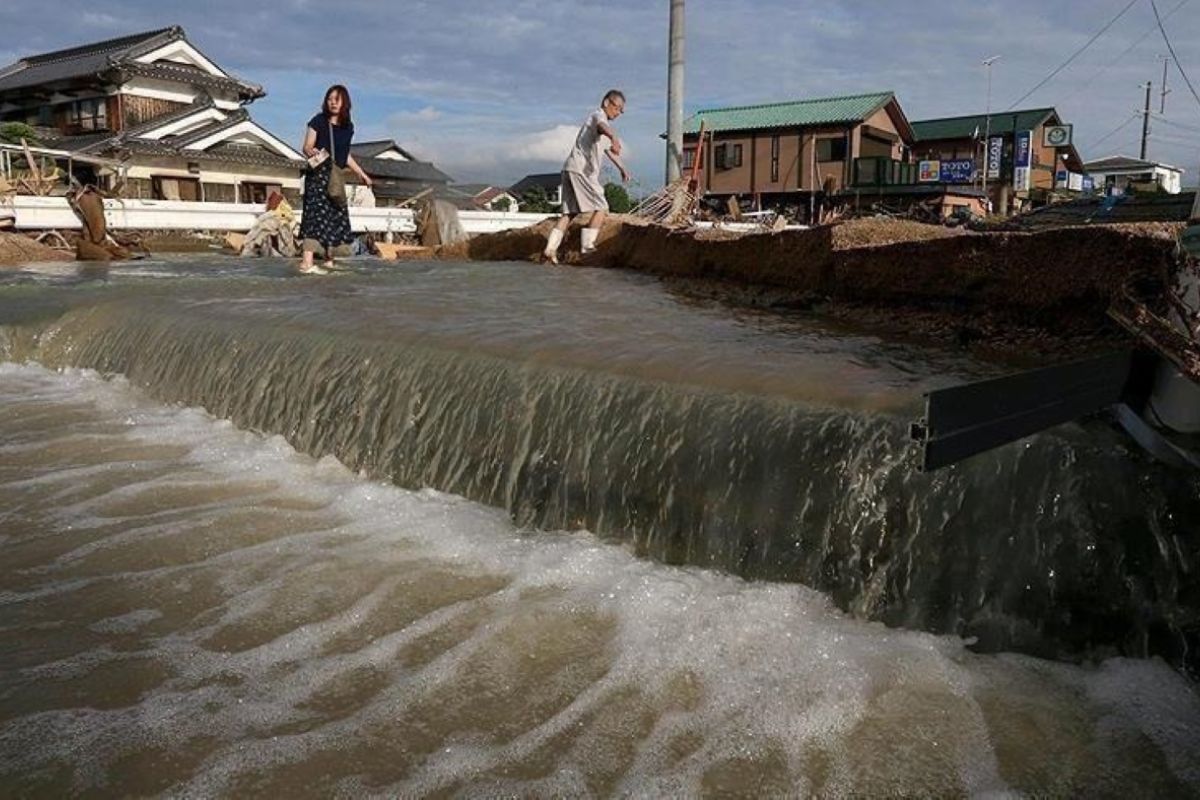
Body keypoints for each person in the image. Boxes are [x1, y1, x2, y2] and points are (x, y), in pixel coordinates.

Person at [543, 90, 630, 264]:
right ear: (607, 103)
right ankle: (588, 248)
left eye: (621, 110)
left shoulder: (602, 127)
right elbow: (602, 127)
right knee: (602, 207)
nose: (619, 113)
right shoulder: (598, 116)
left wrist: (622, 168)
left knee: (569, 213)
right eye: (618, 108)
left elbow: (609, 151)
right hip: (581, 170)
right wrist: (613, 136)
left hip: (570, 169)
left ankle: (550, 249)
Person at [299, 85, 372, 274]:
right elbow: (306, 146)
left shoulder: (348, 128)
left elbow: (345, 154)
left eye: (337, 99)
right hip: (317, 177)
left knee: (334, 217)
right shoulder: (318, 121)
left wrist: (360, 173)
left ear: (344, 103)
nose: (333, 102)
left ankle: (329, 261)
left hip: (335, 177)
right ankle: (307, 262)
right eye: (330, 98)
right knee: (315, 217)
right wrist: (311, 151)